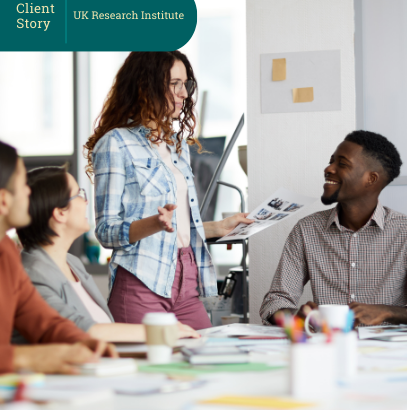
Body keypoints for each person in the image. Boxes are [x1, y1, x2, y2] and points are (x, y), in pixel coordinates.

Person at [84, 51, 252, 329]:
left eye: (186, 84)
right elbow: (105, 231)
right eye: (175, 83)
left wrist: (220, 227)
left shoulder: (176, 145)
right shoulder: (116, 143)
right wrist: (153, 223)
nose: (184, 93)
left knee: (203, 358)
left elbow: (177, 227)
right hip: (142, 282)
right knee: (150, 370)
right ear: (146, 85)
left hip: (186, 280)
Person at [260, 130, 407, 326]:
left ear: (371, 179)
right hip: (327, 347)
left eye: (342, 164)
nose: (329, 169)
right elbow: (274, 303)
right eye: (331, 161)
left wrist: (388, 312)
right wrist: (297, 316)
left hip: (389, 352)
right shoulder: (306, 230)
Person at [13, 166, 200, 343]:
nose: (86, 201)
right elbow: (76, 329)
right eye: (79, 194)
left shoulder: (72, 263)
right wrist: (161, 331)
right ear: (60, 213)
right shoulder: (31, 275)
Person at [0, 140, 116, 374]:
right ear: (4, 200)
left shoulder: (7, 251)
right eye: (23, 185)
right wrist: (28, 357)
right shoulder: (28, 264)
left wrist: (83, 341)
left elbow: (39, 318)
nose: (29, 192)